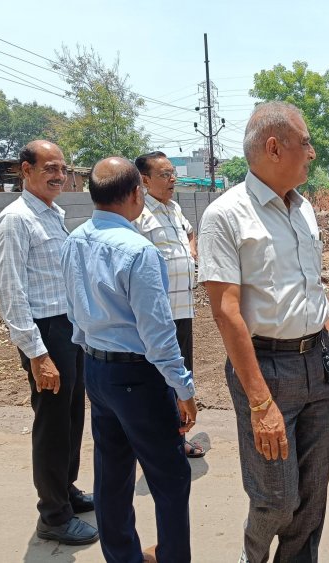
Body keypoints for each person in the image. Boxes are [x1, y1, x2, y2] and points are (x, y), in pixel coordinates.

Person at [197, 101, 329, 563]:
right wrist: (261, 402)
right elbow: (226, 314)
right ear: (274, 146)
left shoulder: (302, 209)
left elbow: (309, 281)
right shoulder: (225, 216)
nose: (313, 152)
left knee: (312, 495)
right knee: (276, 496)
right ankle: (254, 556)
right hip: (267, 369)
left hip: (320, 364)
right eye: (305, 142)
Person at [60, 156, 197, 563]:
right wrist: (183, 388)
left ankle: (123, 556)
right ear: (137, 192)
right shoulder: (139, 251)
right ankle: (173, 556)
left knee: (113, 472)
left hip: (97, 369)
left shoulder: (75, 239)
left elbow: (73, 311)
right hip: (139, 376)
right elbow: (158, 335)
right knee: (171, 477)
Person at [0, 140, 97, 546]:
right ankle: (52, 516)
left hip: (67, 329)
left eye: (62, 168)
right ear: (26, 170)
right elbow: (10, 291)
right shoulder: (16, 219)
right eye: (49, 168)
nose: (59, 175)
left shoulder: (52, 214)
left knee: (71, 418)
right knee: (52, 424)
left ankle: (65, 492)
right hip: (45, 334)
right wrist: (37, 353)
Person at [134, 151, 204, 458]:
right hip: (156, 314)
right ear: (145, 180)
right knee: (157, 378)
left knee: (182, 375)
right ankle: (157, 442)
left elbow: (191, 231)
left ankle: (178, 437)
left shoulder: (174, 208)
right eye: (164, 174)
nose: (172, 179)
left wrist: (191, 254)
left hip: (183, 309)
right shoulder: (138, 214)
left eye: (172, 173)